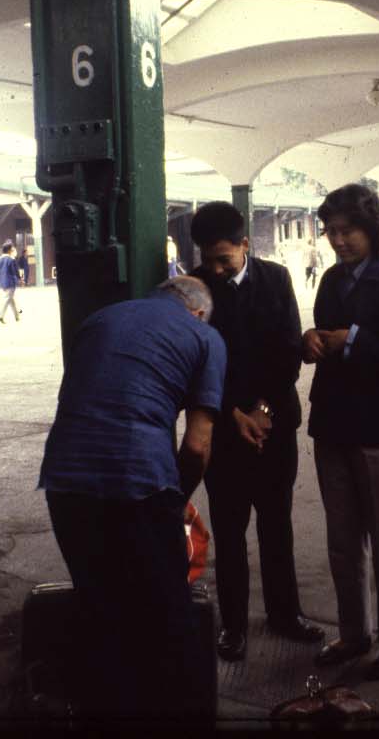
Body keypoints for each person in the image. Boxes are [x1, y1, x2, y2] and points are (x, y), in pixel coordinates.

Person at [38, 276, 226, 720]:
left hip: (65, 478)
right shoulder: (205, 337)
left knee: (99, 608)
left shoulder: (98, 320)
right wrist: (177, 501)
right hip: (139, 479)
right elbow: (197, 445)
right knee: (166, 617)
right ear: (198, 312)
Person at [189, 202, 324, 663]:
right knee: (229, 532)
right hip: (223, 429)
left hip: (274, 425)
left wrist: (262, 410)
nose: (216, 269)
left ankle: (285, 614)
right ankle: (234, 626)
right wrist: (233, 413)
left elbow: (287, 349)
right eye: (208, 260)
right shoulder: (193, 287)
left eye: (224, 259)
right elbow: (194, 361)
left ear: (245, 244)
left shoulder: (276, 279)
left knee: (276, 524)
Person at [304, 184, 379, 681]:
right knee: (342, 540)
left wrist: (351, 339)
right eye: (330, 231)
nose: (338, 241)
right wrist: (311, 340)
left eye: (347, 231)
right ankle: (353, 632)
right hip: (334, 425)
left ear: (372, 230)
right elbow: (322, 331)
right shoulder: (332, 279)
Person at [0, 241, 22, 323]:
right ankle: (0, 316)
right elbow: (15, 272)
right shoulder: (11, 260)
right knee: (7, 299)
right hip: (10, 283)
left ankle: (17, 316)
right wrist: (20, 279)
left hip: (2, 283)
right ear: (9, 250)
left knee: (11, 300)